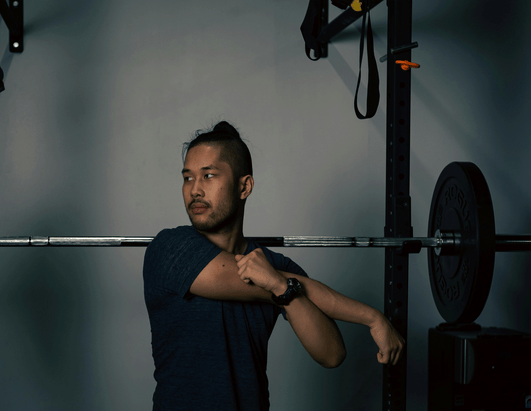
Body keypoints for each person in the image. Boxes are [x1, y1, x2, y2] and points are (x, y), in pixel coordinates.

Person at [143, 121, 405, 411]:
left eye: (208, 175)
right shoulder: (169, 248)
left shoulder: (278, 267)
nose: (195, 190)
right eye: (188, 178)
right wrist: (371, 317)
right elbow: (272, 284)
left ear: (244, 186)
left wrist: (281, 286)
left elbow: (331, 354)